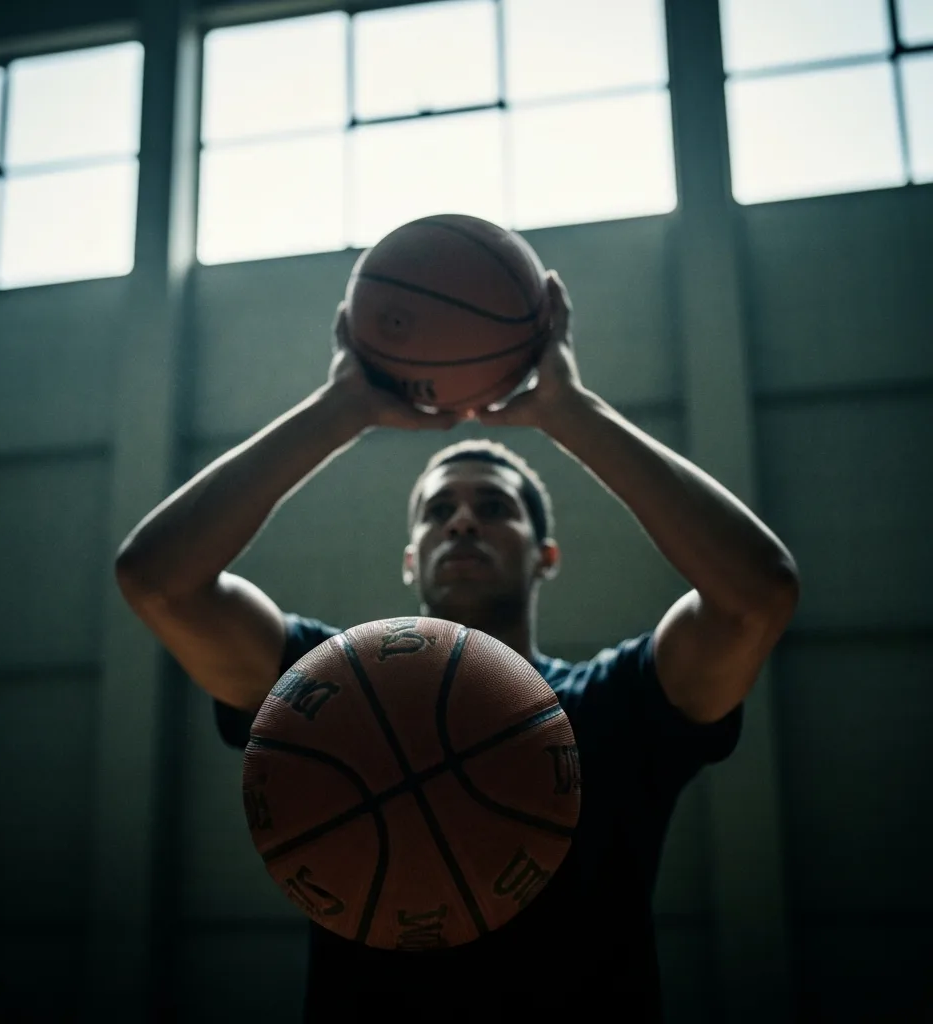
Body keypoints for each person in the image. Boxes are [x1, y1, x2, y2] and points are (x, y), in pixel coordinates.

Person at [115, 270, 800, 1022]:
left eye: (494, 507)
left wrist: (572, 412)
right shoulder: (337, 687)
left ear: (546, 555)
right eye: (438, 510)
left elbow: (756, 594)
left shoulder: (616, 702)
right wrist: (339, 408)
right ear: (411, 559)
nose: (463, 522)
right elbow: (157, 580)